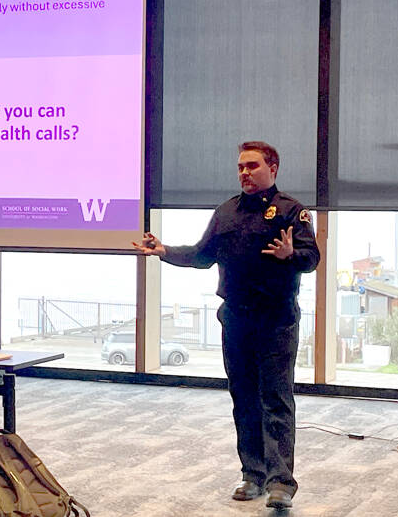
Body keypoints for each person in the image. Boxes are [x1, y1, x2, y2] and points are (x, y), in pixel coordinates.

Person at [133, 141, 320, 509]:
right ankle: (253, 475)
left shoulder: (291, 212)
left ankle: (281, 482)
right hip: (236, 318)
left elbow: (311, 258)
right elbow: (202, 256)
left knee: (275, 401)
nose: (245, 173)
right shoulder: (226, 213)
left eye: (252, 166)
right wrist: (165, 251)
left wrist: (290, 254)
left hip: (276, 320)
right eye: (240, 167)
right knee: (244, 400)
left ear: (273, 168)